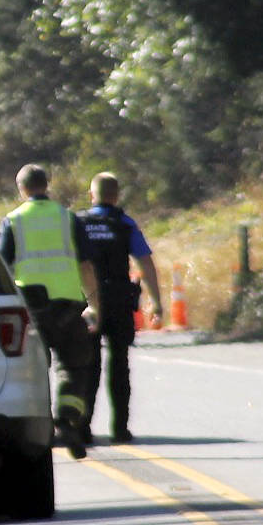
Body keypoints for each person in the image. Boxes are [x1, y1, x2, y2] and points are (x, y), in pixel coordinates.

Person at [0, 164, 102, 458]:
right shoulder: (67, 218)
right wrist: (94, 304)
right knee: (75, 367)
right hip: (68, 306)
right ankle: (67, 419)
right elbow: (86, 266)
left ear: (22, 189)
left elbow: (2, 270)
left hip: (31, 311)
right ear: (48, 184)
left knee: (32, 372)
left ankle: (39, 432)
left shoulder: (13, 222)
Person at [78, 172, 164, 444]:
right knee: (120, 365)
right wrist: (157, 302)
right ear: (116, 196)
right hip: (118, 300)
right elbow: (145, 263)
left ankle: (83, 428)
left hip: (87, 301)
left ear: (92, 196)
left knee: (86, 367)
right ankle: (120, 429)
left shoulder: (77, 224)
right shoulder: (125, 224)